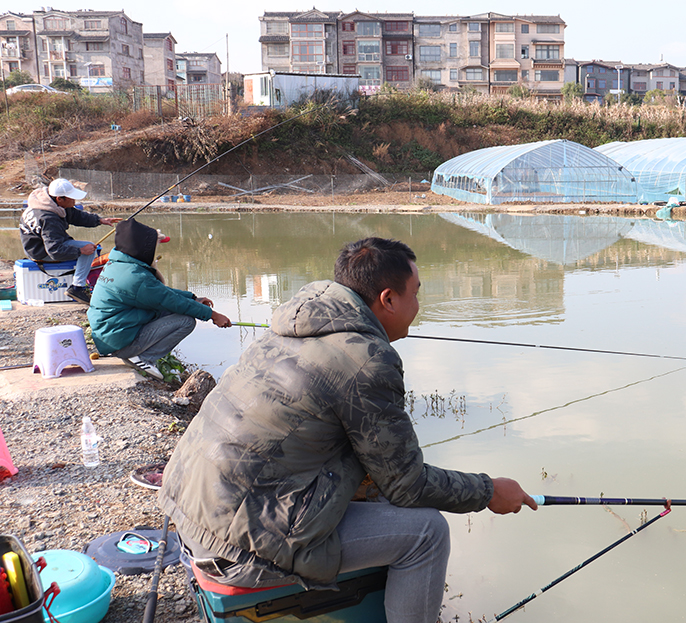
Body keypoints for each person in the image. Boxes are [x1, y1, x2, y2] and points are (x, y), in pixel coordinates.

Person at [158, 237, 536, 623]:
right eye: (416, 294)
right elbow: (409, 485)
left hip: (189, 514)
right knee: (427, 532)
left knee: (379, 496)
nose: (419, 307)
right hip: (237, 548)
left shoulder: (293, 324)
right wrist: (489, 490)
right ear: (388, 299)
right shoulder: (368, 360)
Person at [87, 219, 232, 380]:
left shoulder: (120, 265)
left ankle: (136, 354)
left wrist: (193, 298)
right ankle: (143, 358)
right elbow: (171, 301)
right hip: (119, 343)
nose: (156, 253)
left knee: (168, 309)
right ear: (143, 249)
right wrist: (212, 314)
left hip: (112, 335)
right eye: (154, 248)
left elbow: (161, 293)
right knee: (186, 321)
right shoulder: (136, 278)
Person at [19, 178, 121, 305]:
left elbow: (76, 216)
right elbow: (54, 251)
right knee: (88, 248)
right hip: (40, 251)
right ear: (59, 199)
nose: (74, 201)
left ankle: (78, 285)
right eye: (71, 198)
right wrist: (80, 251)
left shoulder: (48, 202)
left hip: (45, 244)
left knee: (86, 247)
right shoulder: (49, 218)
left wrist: (100, 220)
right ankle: (77, 288)